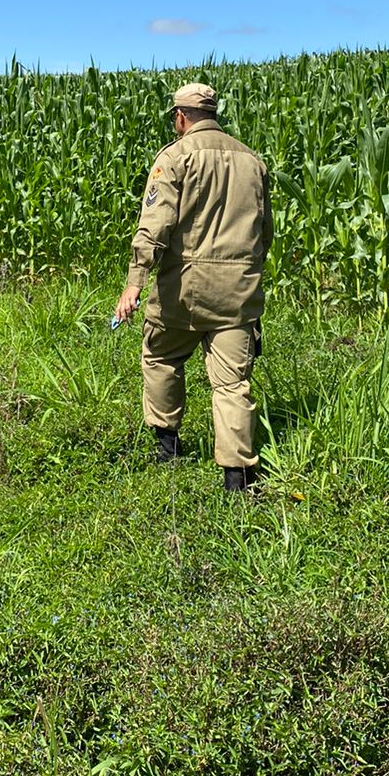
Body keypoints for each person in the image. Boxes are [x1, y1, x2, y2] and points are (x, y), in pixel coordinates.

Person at [113, 82, 273, 492]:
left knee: (161, 358)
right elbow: (264, 234)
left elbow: (154, 226)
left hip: (182, 291)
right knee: (232, 384)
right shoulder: (252, 161)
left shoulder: (175, 157)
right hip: (237, 294)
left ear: (181, 117)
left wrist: (135, 283)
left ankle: (168, 450)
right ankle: (238, 480)